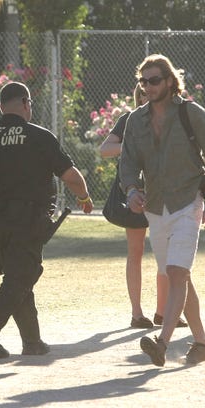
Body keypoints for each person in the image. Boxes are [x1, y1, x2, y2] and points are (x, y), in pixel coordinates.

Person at [0, 81, 93, 358]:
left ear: (1, 106)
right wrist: (83, 198)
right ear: (26, 104)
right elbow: (69, 175)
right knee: (24, 274)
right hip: (26, 217)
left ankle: (32, 342)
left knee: (17, 273)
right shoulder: (38, 135)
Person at [120, 54, 205, 366]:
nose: (147, 86)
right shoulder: (134, 121)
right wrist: (131, 190)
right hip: (155, 206)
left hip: (188, 201)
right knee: (180, 277)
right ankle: (201, 342)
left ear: (170, 81)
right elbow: (127, 162)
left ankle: (162, 343)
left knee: (176, 273)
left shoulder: (191, 113)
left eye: (154, 80)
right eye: (143, 81)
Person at [100, 85, 188, 329]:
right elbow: (105, 149)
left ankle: (163, 312)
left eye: (152, 91)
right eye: (142, 94)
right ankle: (137, 314)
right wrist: (133, 146)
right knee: (135, 252)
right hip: (136, 194)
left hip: (165, 194)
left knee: (167, 255)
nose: (147, 97)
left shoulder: (173, 117)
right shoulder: (129, 119)